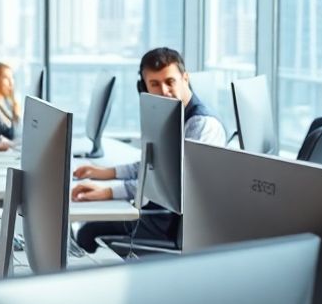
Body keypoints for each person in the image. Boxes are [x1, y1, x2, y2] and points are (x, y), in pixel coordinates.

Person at [71, 47, 226, 251]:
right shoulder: (170, 115)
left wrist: (108, 191)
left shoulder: (201, 125)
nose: (164, 91)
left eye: (170, 81)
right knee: (86, 225)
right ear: (144, 88)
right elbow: (153, 165)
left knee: (87, 232)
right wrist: (106, 173)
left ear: (185, 79)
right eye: (154, 84)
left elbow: (173, 187)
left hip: (172, 224)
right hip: (161, 213)